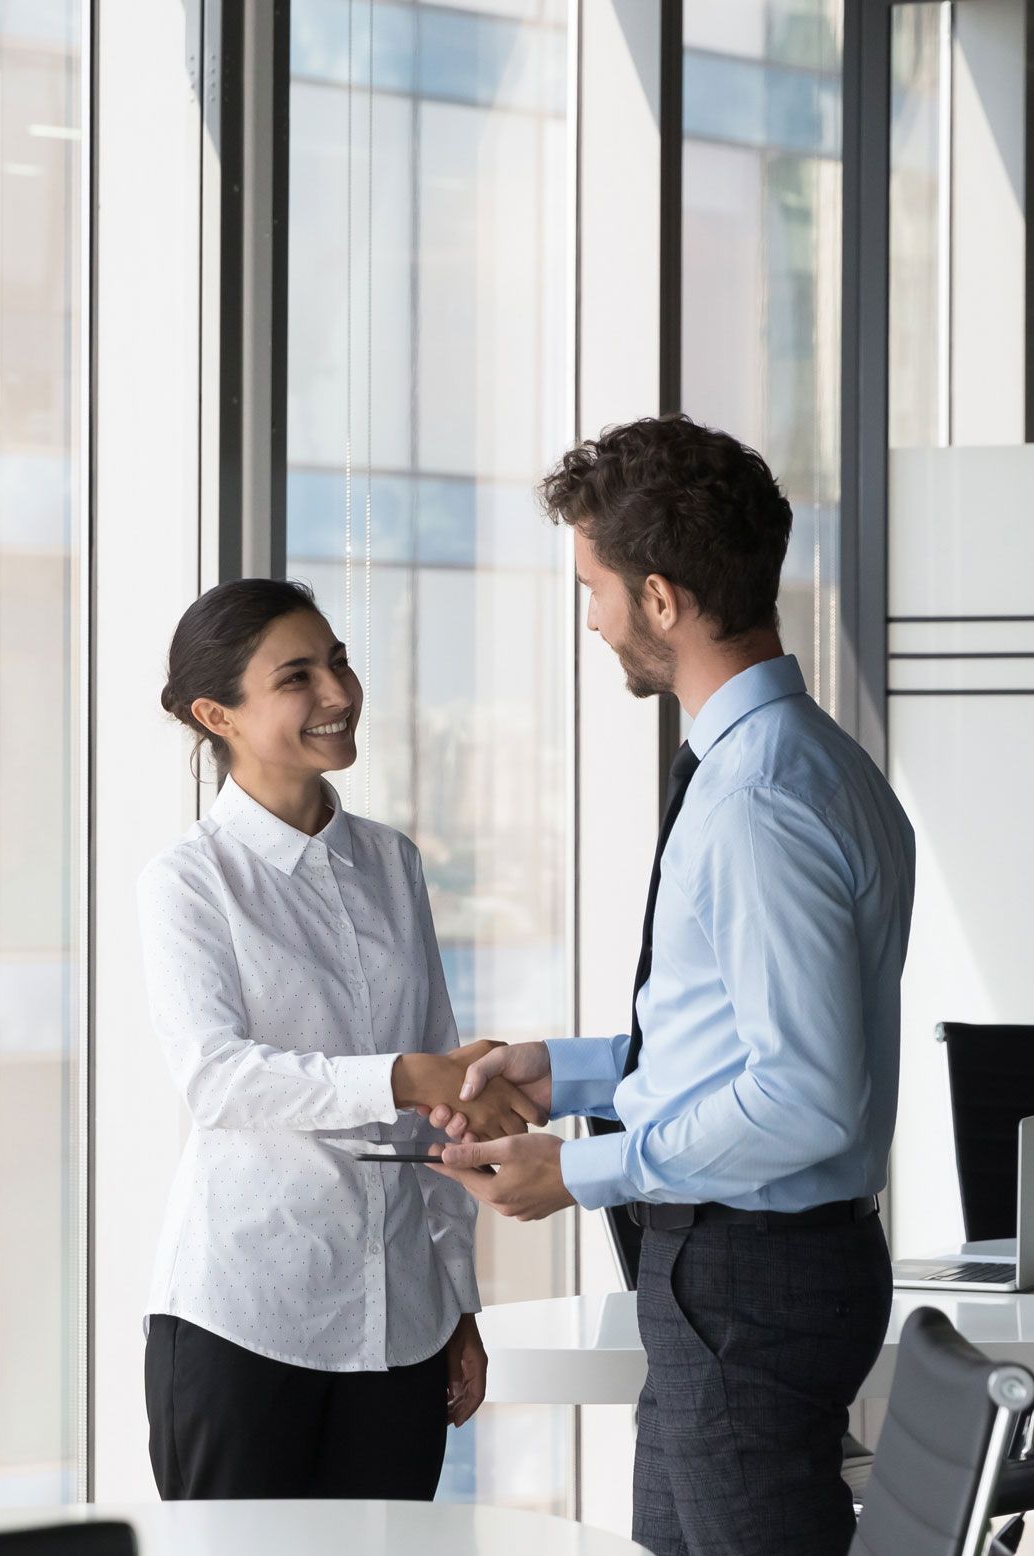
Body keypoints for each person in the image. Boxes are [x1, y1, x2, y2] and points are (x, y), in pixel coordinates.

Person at [430, 416, 915, 1556]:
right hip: (738, 1276)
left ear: (660, 598)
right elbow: (742, 1033)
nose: (591, 618)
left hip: (749, 1277)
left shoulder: (757, 796)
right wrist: (571, 1068)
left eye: (594, 588)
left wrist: (582, 1167)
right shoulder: (814, 761)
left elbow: (805, 1097)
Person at [138, 577, 544, 1501]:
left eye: (340, 661)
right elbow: (219, 1080)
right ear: (219, 714)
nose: (338, 693)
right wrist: (402, 1076)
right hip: (245, 1322)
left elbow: (444, 1111)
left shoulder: (393, 864)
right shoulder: (189, 883)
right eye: (298, 677)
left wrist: (456, 1307)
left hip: (401, 1325)